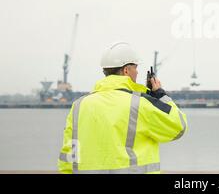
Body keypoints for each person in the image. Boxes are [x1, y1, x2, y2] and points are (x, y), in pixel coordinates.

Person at [58, 42, 187, 174]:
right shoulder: (139, 103)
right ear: (126, 70)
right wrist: (159, 94)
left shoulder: (79, 105)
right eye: (136, 68)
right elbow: (178, 127)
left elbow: (69, 154)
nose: (137, 73)